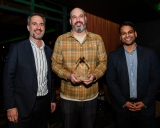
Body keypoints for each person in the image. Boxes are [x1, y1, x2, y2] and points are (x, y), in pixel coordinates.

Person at [51, 7, 107, 128]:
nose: (78, 20)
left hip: (90, 97)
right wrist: (68, 75)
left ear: (85, 19)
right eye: (74, 17)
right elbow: (55, 64)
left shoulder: (97, 39)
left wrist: (95, 75)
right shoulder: (61, 40)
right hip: (68, 98)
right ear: (70, 21)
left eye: (80, 16)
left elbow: (103, 63)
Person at [3, 13, 56, 128]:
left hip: (43, 105)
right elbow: (8, 79)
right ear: (28, 27)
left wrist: (52, 99)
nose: (38, 27)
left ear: (44, 28)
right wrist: (10, 106)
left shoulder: (49, 51)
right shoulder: (17, 48)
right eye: (34, 24)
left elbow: (50, 77)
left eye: (41, 24)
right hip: (21, 107)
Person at [106, 21, 160, 128]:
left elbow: (156, 79)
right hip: (123, 110)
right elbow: (111, 81)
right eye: (123, 33)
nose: (127, 35)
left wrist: (145, 102)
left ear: (135, 34)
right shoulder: (113, 56)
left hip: (146, 109)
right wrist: (123, 102)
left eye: (130, 32)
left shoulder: (150, 54)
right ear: (120, 37)